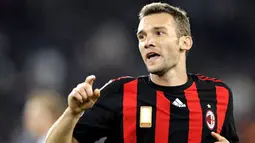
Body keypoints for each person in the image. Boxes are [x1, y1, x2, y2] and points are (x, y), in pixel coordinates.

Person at [45, 2, 239, 143]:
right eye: (142, 36)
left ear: (185, 42)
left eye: (159, 33)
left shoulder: (219, 94)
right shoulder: (120, 91)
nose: (147, 42)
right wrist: (72, 113)